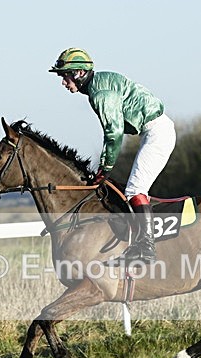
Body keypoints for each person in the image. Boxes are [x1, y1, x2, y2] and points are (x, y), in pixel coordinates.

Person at [49, 47, 176, 262]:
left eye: (65, 76)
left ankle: (146, 249)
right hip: (154, 130)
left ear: (79, 73)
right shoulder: (98, 84)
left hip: (157, 132)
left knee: (135, 189)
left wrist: (105, 168)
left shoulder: (100, 93)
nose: (63, 82)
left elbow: (114, 133)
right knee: (131, 188)